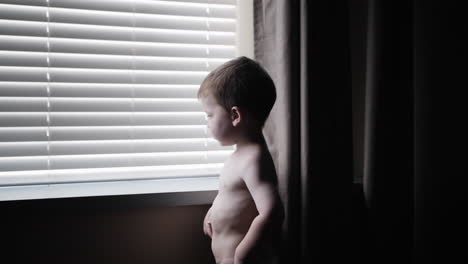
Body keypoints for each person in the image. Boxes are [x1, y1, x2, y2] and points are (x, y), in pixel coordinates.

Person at [199, 56, 285, 264]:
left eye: (210, 115)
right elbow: (233, 196)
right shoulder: (239, 155)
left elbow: (272, 212)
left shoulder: (254, 159)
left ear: (235, 115)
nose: (207, 122)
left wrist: (242, 252)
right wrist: (212, 212)